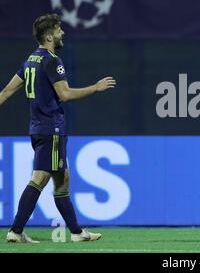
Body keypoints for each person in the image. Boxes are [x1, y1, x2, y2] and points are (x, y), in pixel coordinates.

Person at [0, 13, 116, 243]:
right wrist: (95, 87)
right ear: (50, 36)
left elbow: (6, 92)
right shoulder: (52, 60)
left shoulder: (31, 60)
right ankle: (15, 230)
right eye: (60, 29)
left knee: (62, 178)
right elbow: (65, 94)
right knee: (41, 178)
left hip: (37, 128)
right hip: (51, 127)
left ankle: (76, 232)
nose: (63, 33)